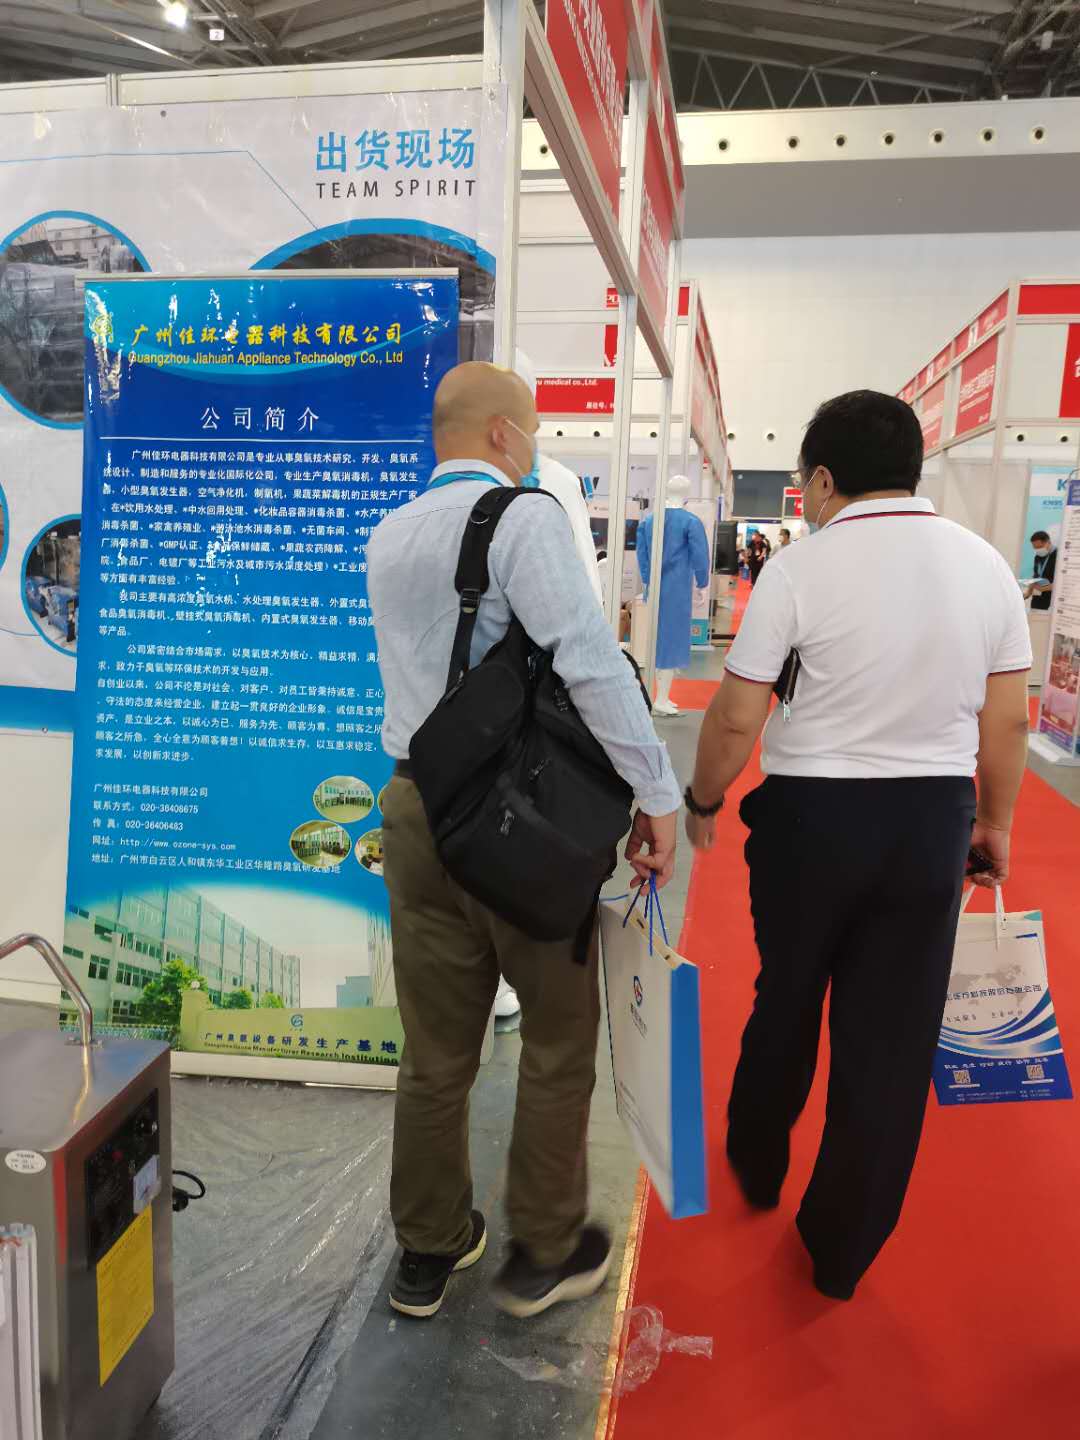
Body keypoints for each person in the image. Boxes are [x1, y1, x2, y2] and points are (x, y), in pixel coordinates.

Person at [683, 390, 1031, 1301]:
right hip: (930, 823)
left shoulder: (801, 568)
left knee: (787, 994)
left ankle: (758, 1159)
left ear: (826, 480)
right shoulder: (986, 566)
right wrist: (993, 822)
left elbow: (737, 715)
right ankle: (842, 1246)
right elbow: (1006, 722)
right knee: (890, 1037)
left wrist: (703, 798)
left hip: (809, 820)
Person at [368, 361, 681, 1321]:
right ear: (505, 434)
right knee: (556, 1032)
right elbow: (588, 662)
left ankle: (428, 1250)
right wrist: (655, 791)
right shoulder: (524, 517)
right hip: (520, 818)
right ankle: (543, 1248)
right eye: (534, 431)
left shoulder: (389, 532)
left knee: (434, 1048)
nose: (536, 447)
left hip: (413, 808)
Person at [636, 475, 711, 717]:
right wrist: (702, 582)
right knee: (672, 641)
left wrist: (647, 581)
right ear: (686, 493)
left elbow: (642, 555)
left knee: (656, 640)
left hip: (654, 587)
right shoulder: (690, 522)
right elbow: (700, 556)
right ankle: (661, 698)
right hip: (676, 588)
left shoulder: (649, 521)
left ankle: (660, 695)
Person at [1025, 529, 1057, 611]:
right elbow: (1036, 575)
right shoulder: (1038, 556)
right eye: (1034, 548)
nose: (1037, 550)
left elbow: (1063, 582)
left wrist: (1045, 588)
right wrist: (1028, 592)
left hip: (1052, 601)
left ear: (1048, 542)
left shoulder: (1059, 556)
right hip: (1037, 599)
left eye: (1039, 547)